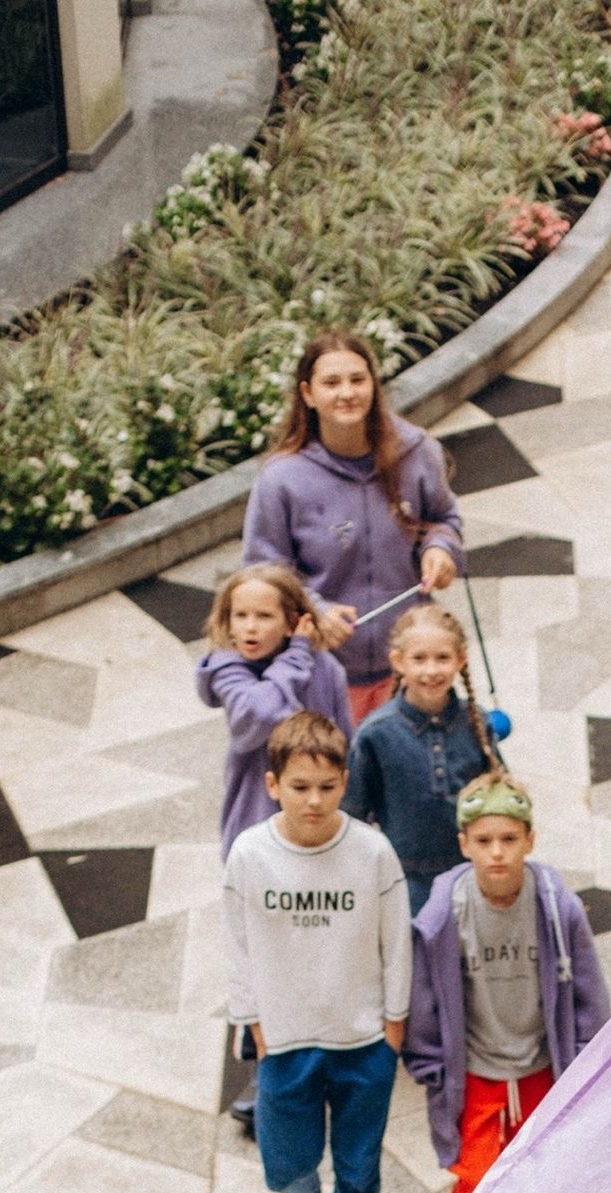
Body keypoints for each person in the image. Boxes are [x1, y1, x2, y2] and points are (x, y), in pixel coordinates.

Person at [221, 710, 410, 1193]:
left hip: (362, 1041)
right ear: (273, 784)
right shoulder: (250, 855)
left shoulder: (371, 852)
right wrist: (252, 1021)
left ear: (344, 784)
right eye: (300, 786)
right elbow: (237, 943)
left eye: (327, 787)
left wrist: (394, 1022)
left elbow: (396, 939)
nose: (314, 800)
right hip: (287, 1037)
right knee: (289, 1155)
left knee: (359, 1170)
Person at [404, 774, 611, 1193]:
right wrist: (433, 1069)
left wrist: (586, 1060)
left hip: (542, 1067)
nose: (497, 851)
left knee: (545, 1177)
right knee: (473, 1187)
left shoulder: (558, 908)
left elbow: (589, 993)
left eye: (509, 839)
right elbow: (423, 998)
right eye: (484, 840)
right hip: (478, 1073)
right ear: (464, 844)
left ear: (529, 840)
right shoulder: (444, 914)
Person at [242, 328, 464, 725]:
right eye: (332, 382)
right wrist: (315, 609)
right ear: (308, 394)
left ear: (374, 386)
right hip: (325, 675)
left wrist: (439, 549)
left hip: (409, 671)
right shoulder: (282, 479)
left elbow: (443, 520)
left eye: (358, 380)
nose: (347, 392)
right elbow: (264, 576)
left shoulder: (417, 452)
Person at [344, 603, 497, 916]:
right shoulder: (375, 734)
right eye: (419, 658)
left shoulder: (476, 722)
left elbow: (498, 800)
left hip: (471, 878)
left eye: (442, 657)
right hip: (404, 884)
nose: (431, 670)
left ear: (460, 659)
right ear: (398, 662)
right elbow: (353, 815)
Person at [195, 563, 354, 855]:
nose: (250, 626)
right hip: (256, 822)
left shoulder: (327, 669)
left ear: (291, 622)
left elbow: (346, 746)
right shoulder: (227, 668)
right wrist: (295, 657)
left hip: (319, 821)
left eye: (264, 616)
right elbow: (258, 713)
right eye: (240, 615)